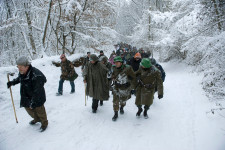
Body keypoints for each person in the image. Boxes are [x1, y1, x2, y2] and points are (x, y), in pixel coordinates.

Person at [7, 56, 48, 132]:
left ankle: (44, 123)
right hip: (26, 95)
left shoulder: (36, 75)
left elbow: (37, 91)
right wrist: (12, 82)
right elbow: (20, 78)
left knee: (40, 110)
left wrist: (33, 102)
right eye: (18, 67)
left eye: (21, 67)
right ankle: (36, 119)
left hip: (37, 97)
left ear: (27, 66)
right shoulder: (23, 72)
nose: (19, 69)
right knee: (29, 110)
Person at [111, 56, 135, 121]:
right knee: (115, 101)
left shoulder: (128, 68)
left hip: (125, 87)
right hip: (116, 86)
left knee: (123, 100)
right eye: (115, 62)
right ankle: (115, 113)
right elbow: (112, 75)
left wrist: (131, 84)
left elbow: (133, 77)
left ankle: (122, 107)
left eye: (117, 62)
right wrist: (112, 77)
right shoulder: (113, 68)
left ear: (121, 62)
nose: (116, 64)